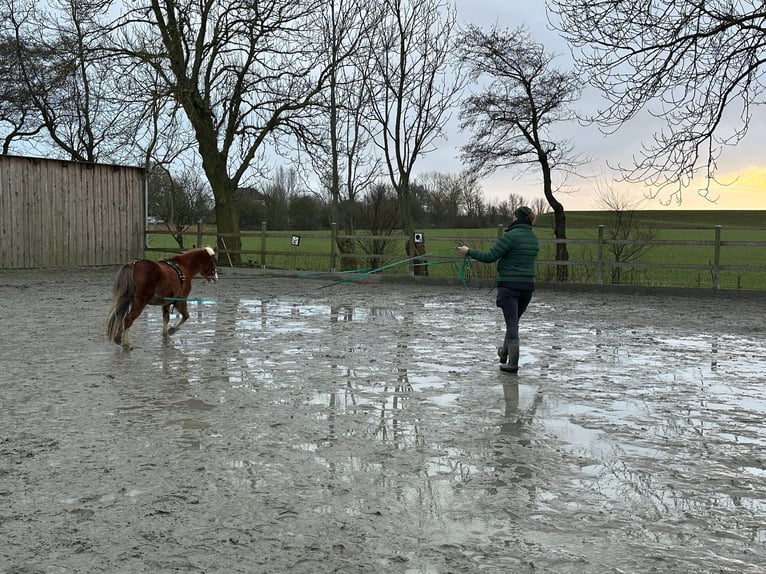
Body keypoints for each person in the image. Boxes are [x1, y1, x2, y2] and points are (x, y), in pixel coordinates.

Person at [457, 205, 540, 373]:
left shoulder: (510, 237)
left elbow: (489, 257)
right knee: (514, 321)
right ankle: (504, 353)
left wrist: (468, 252)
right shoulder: (533, 238)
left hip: (509, 286)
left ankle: (513, 363)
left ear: (517, 218)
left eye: (513, 216)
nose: (511, 219)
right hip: (527, 287)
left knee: (511, 323)